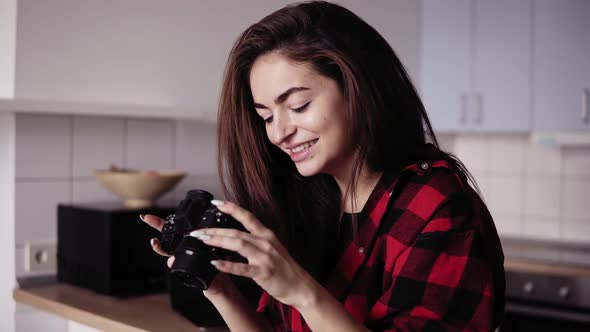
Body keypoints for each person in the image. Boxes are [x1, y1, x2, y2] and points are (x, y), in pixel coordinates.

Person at [141, 1, 505, 331]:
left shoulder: (438, 207)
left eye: (298, 106)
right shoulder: (309, 199)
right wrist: (219, 288)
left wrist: (302, 292)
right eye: (266, 116)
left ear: (357, 87)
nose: (279, 133)